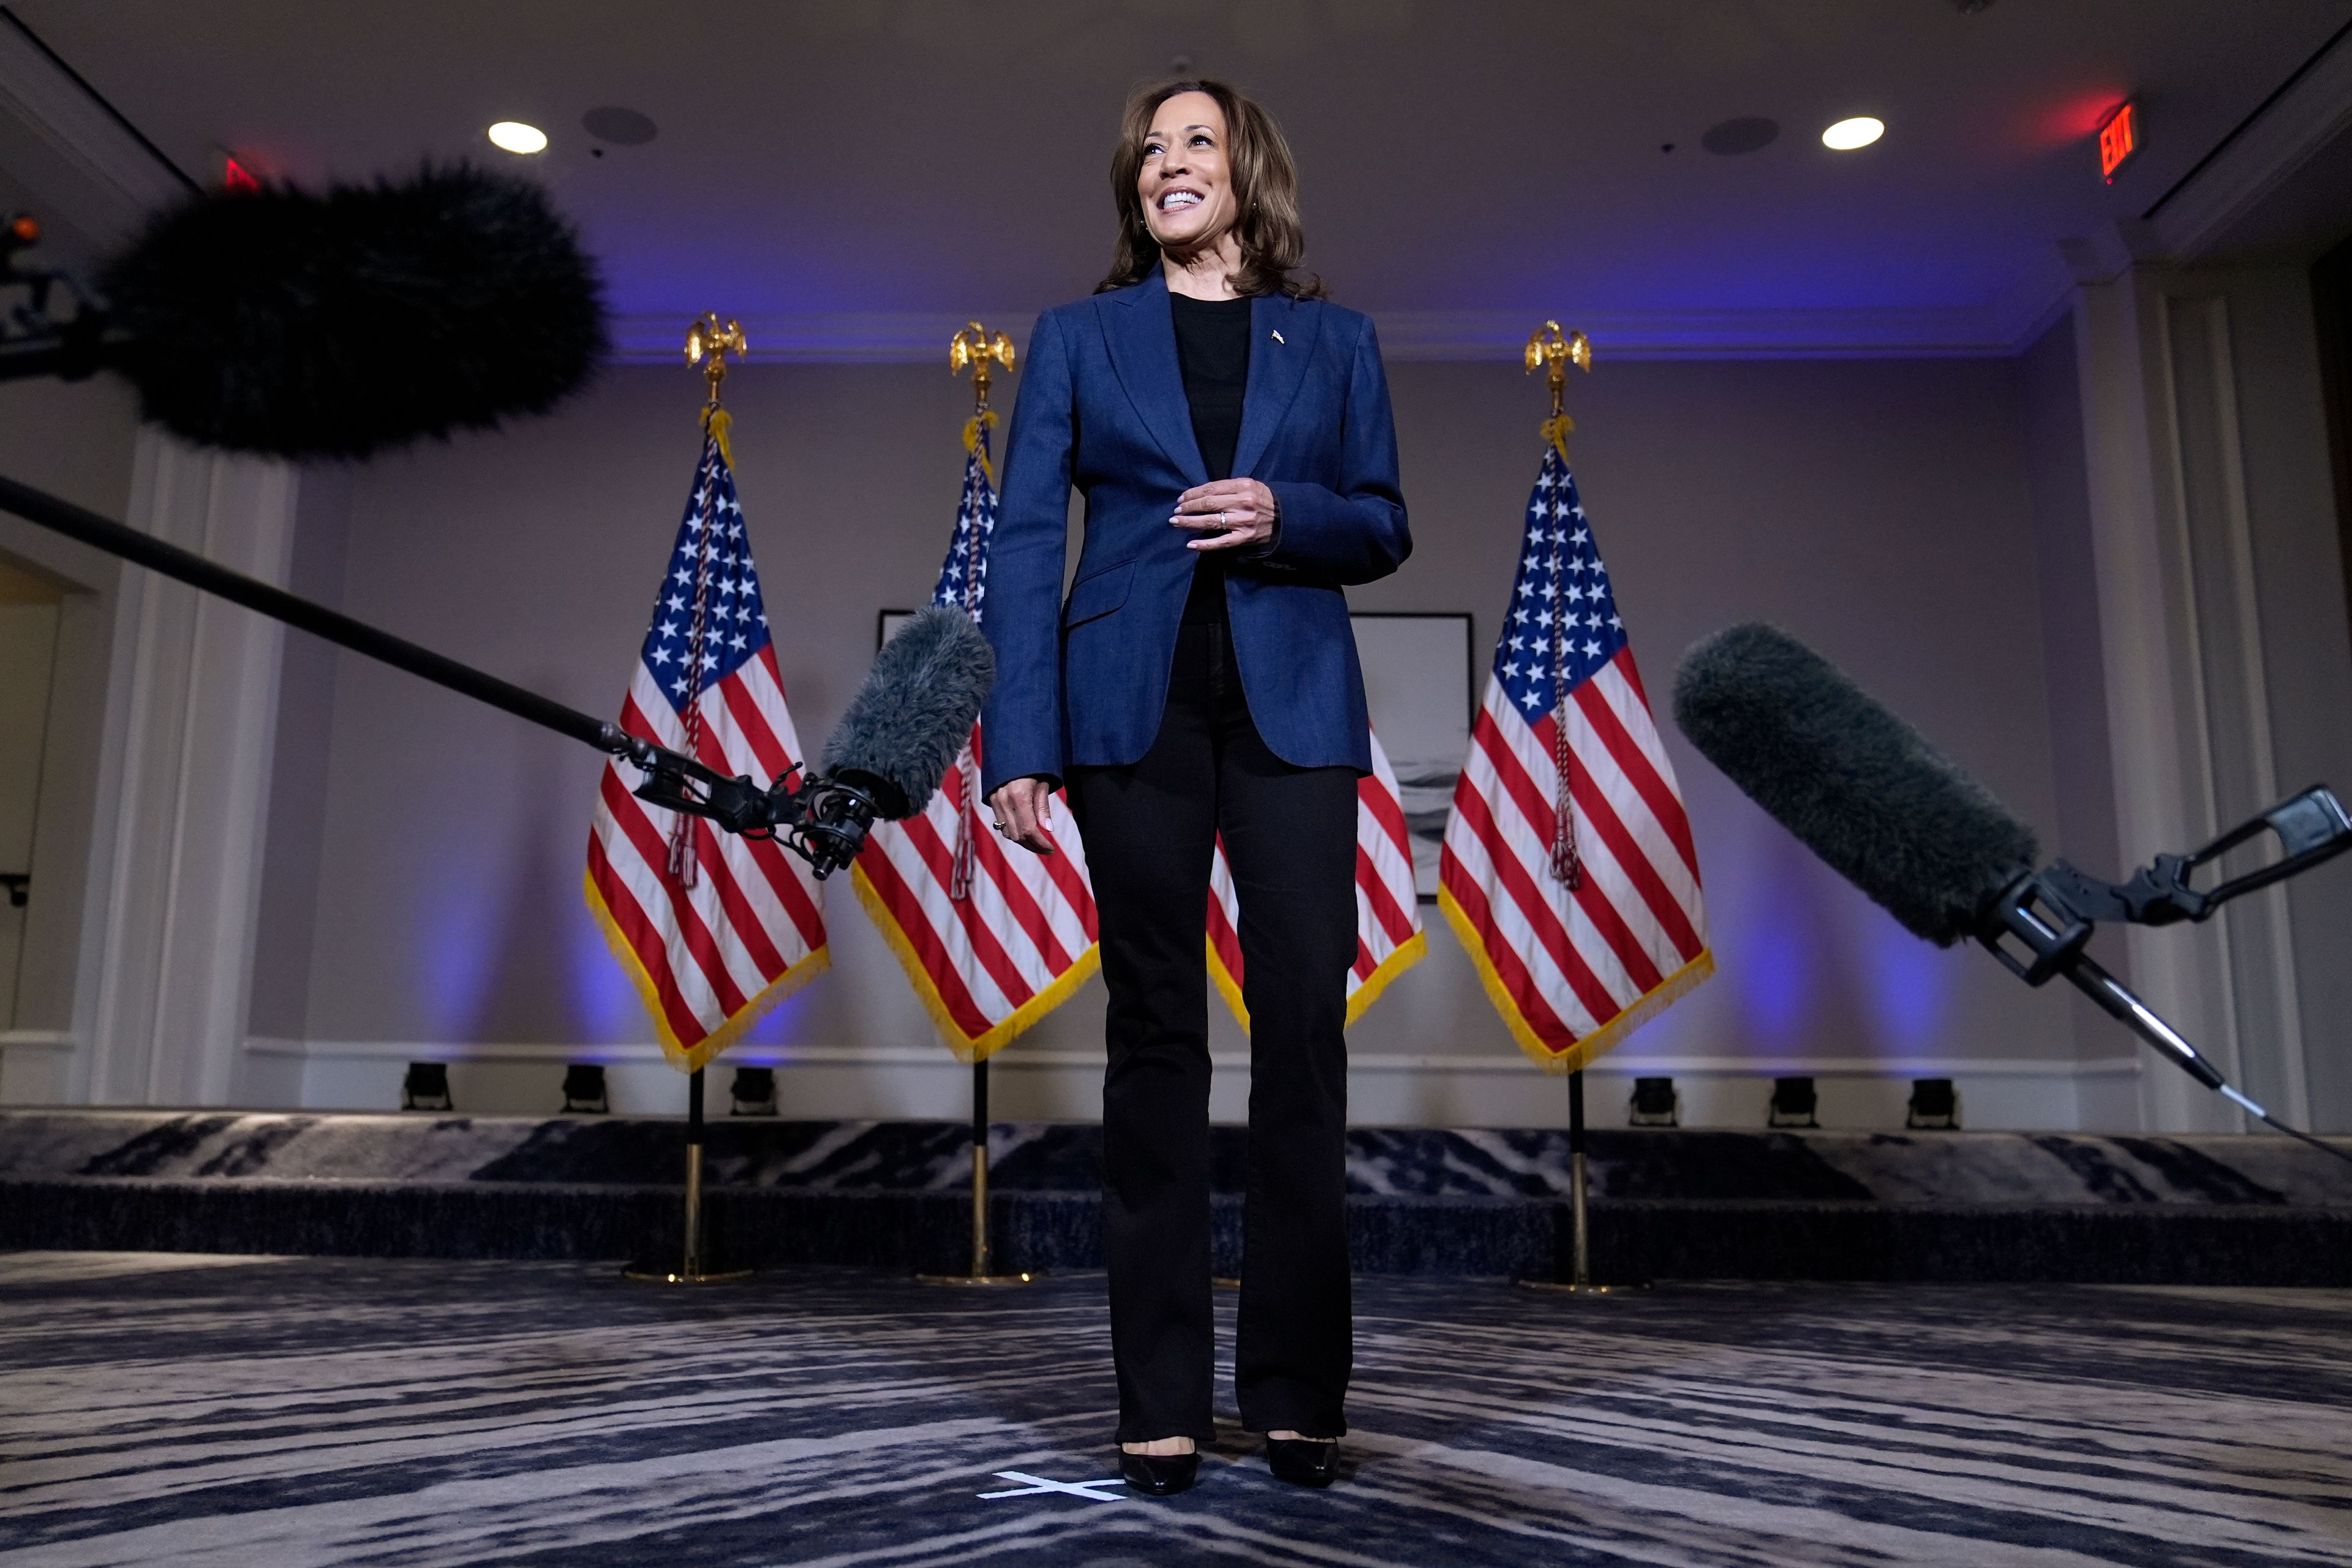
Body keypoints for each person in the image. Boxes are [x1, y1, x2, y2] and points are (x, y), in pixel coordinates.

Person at [980, 77, 1410, 1496]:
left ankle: (1294, 1389)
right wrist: (1020, 740)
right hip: (1128, 709)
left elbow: (1385, 523)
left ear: (1247, 173)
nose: (1167, 162)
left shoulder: (1335, 339)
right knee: (1156, 1035)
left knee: (1301, 1036)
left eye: (1195, 142)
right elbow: (1029, 537)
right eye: (1149, 149)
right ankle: (1158, 1396)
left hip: (1294, 711)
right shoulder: (1078, 337)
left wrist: (1288, 514)